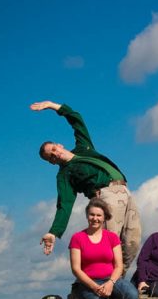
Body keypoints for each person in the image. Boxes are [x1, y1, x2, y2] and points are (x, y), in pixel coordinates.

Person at [31, 99, 142, 268]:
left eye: (54, 149)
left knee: (132, 241)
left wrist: (53, 106)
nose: (55, 155)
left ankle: (116, 281)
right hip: (105, 196)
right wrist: (54, 232)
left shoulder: (83, 148)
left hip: (124, 190)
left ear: (59, 145)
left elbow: (77, 121)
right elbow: (64, 205)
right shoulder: (64, 175)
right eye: (51, 157)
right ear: (51, 163)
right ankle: (105, 282)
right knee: (111, 241)